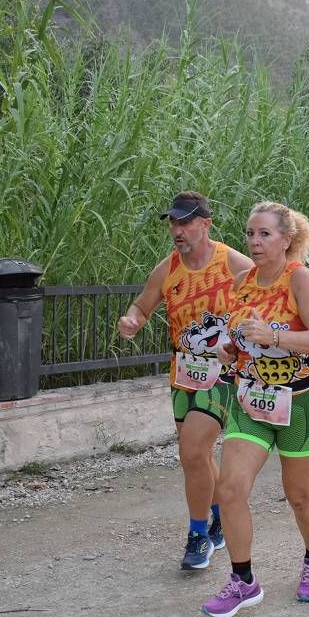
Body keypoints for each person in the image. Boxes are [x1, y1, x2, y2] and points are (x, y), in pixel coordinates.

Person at [200, 201, 309, 617]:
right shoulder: (243, 282)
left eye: (265, 234)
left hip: (302, 402)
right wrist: (230, 350)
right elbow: (241, 339)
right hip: (253, 401)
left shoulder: (300, 279)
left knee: (298, 496)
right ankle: (243, 580)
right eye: (250, 234)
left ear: (286, 240)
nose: (255, 242)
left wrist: (276, 335)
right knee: (229, 489)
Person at [117, 191, 252, 571]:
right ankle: (220, 516)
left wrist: (245, 336)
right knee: (198, 457)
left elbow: (263, 295)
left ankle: (198, 537)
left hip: (224, 373)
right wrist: (132, 322)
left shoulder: (233, 263)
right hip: (183, 373)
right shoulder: (168, 268)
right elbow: (143, 306)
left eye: (186, 222)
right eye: (174, 223)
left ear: (205, 224)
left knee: (191, 451)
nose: (178, 230)